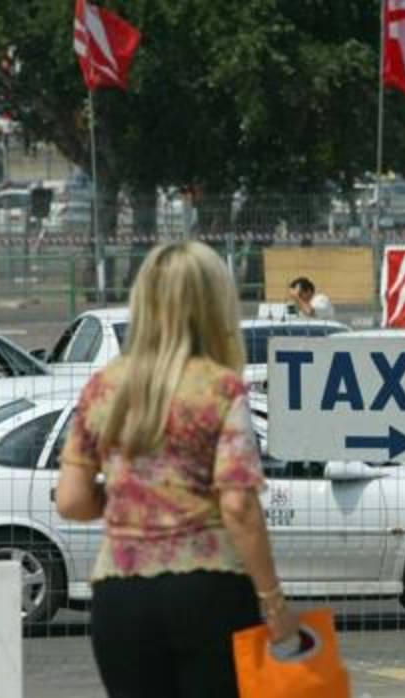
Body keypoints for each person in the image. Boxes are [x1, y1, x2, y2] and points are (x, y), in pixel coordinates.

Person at [56, 241, 298, 698]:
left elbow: (71, 500)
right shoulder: (221, 389)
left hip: (120, 594)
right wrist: (273, 600)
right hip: (209, 587)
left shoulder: (103, 388)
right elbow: (239, 505)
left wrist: (135, 493)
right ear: (213, 305)